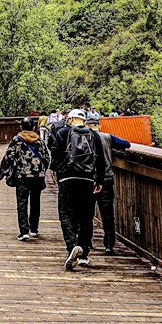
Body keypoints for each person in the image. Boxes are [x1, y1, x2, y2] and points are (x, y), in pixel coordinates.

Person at [48, 108, 106, 270]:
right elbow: (100, 160)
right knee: (86, 216)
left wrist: (61, 171)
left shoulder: (63, 133)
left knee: (66, 213)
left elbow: (54, 156)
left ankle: (71, 246)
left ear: (71, 119)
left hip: (67, 179)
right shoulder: (94, 136)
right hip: (87, 180)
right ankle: (84, 254)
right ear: (84, 120)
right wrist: (99, 180)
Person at [0, 118, 50, 241]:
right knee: (35, 201)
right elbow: (46, 157)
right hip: (37, 176)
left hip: (22, 175)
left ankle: (24, 231)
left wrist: (4, 171)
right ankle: (34, 229)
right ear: (33, 127)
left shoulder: (17, 140)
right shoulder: (39, 140)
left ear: (21, 127)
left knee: (22, 202)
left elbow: (9, 156)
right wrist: (42, 170)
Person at [86, 116, 131, 255]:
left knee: (87, 213)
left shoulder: (84, 138)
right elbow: (126, 144)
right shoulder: (107, 137)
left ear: (86, 125)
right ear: (98, 126)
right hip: (106, 179)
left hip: (88, 180)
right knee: (107, 214)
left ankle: (87, 242)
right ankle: (109, 245)